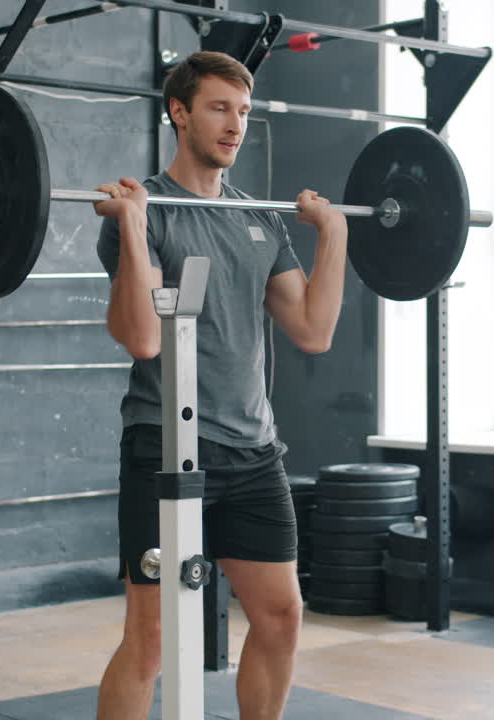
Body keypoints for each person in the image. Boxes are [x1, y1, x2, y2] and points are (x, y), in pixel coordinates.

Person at [91, 51, 348, 720]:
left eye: (243, 111)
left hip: (253, 455)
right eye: (218, 108)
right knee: (149, 643)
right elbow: (142, 336)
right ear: (179, 112)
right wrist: (133, 228)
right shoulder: (144, 210)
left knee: (282, 619)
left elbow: (313, 330)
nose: (235, 124)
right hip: (163, 449)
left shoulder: (257, 220)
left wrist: (337, 234)